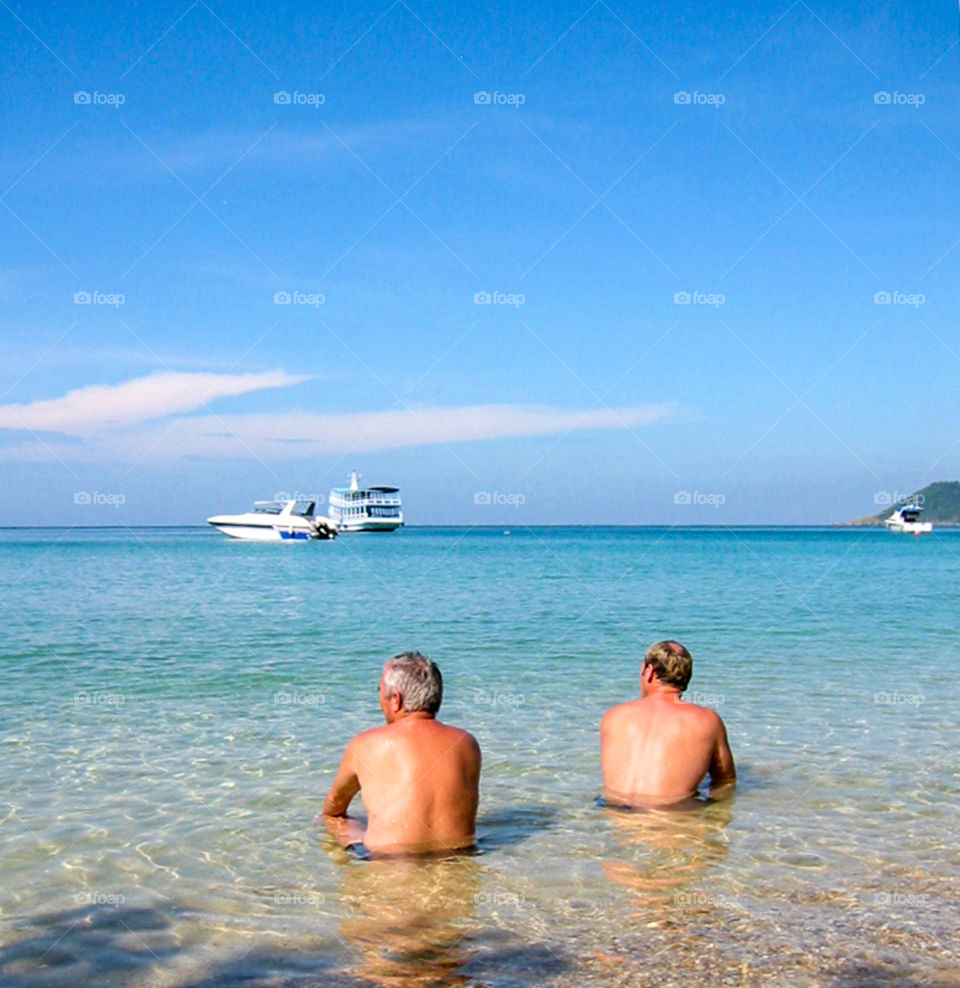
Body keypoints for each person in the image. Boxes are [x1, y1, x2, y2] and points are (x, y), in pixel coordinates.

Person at [322, 652, 482, 856]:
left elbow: (334, 806)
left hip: (390, 865)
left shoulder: (365, 744)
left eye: (379, 691)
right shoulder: (467, 743)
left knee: (333, 820)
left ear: (396, 700)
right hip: (459, 858)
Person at [600, 640, 735, 807]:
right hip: (672, 821)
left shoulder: (613, 716)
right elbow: (726, 781)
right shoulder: (707, 720)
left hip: (614, 820)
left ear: (649, 671)